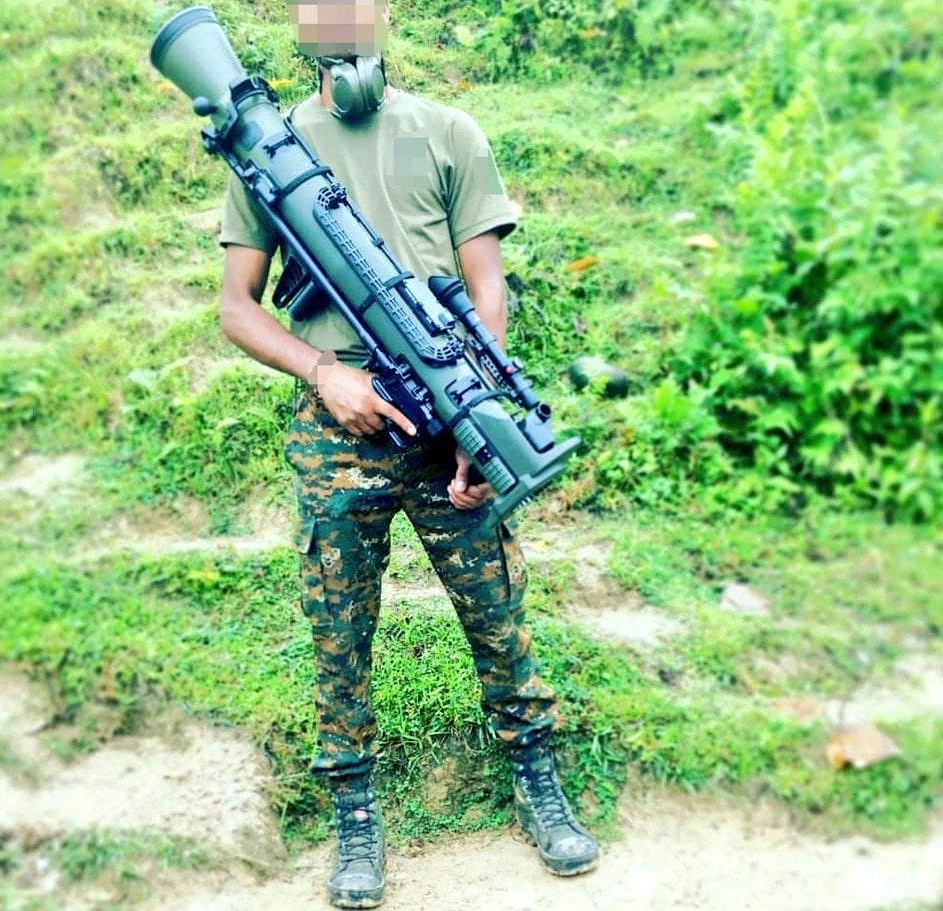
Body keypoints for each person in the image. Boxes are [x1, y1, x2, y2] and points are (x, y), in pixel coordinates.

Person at [217, 2, 598, 906]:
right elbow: (237, 306)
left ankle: (538, 778)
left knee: (498, 612)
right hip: (337, 429)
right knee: (338, 632)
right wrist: (323, 374)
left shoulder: (447, 132)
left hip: (442, 418)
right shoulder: (269, 152)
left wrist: (473, 414)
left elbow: (485, 282)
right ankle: (355, 814)